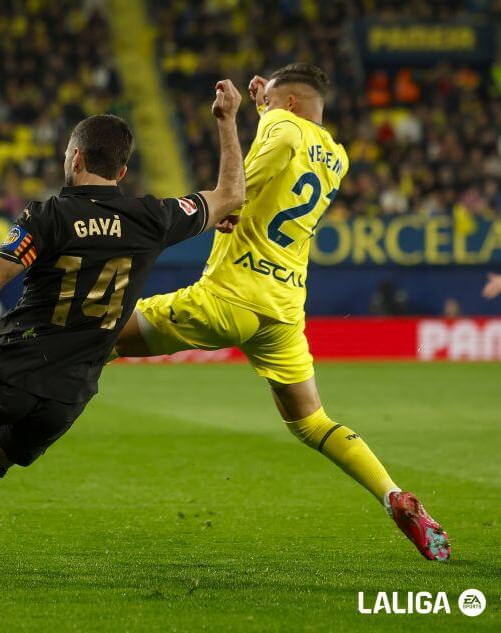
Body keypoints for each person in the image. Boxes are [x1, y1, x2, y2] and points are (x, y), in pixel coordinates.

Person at [0, 80, 247, 572]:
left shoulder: (48, 216)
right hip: (69, 393)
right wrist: (227, 120)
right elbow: (230, 195)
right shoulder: (152, 217)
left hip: (12, 364)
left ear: (74, 158)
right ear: (120, 170)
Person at [109, 64, 450, 561]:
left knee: (101, 333)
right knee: (312, 423)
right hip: (284, 311)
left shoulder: (281, 125)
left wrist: (240, 129)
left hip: (228, 296)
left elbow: (238, 189)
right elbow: (281, 167)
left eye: (268, 100)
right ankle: (392, 494)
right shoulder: (337, 156)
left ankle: (2, 394)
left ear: (286, 103)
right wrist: (268, 103)